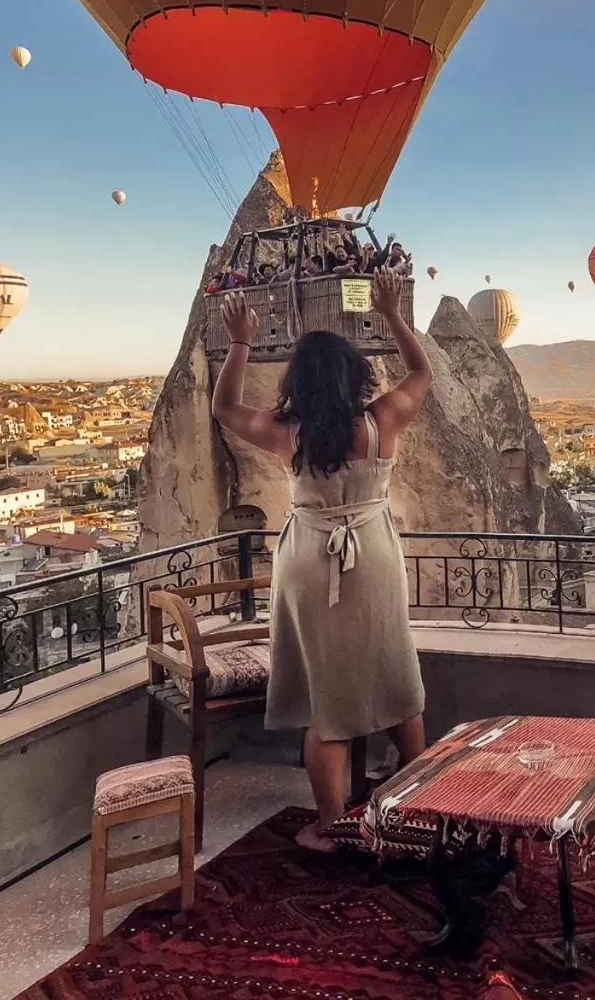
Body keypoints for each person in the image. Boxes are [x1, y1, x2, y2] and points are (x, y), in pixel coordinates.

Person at [212, 268, 431, 852]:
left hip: (310, 559)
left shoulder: (288, 432)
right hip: (375, 553)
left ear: (300, 383)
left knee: (325, 695)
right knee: (393, 672)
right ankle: (422, 805)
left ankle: (332, 825)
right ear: (353, 376)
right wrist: (391, 314)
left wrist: (240, 341)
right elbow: (422, 373)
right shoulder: (382, 421)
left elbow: (225, 408)